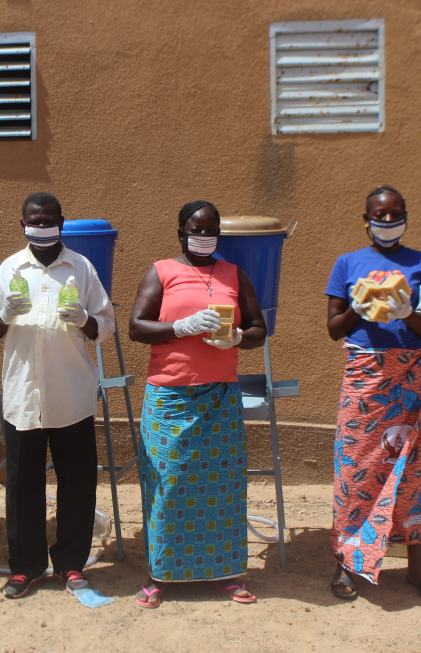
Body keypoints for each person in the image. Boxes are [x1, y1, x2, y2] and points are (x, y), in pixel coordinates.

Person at [0, 192, 116, 599]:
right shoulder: (9, 269)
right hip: (23, 397)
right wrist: (5, 316)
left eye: (49, 219)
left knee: (77, 483)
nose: (42, 226)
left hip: (71, 394)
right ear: (22, 224)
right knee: (23, 486)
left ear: (61, 222)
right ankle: (26, 568)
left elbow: (106, 324)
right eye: (34, 221)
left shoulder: (82, 268)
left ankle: (71, 565)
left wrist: (85, 320)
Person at [127, 200, 266, 609]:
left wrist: (239, 336)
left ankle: (224, 573)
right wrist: (179, 327)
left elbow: (260, 328)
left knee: (220, 488)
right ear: (180, 233)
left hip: (220, 398)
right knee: (168, 486)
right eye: (195, 229)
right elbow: (137, 327)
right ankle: (160, 575)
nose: (203, 236)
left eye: (210, 230)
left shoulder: (233, 274)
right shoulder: (161, 272)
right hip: (170, 398)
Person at [325, 186, 421, 603]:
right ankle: (346, 563)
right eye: (380, 214)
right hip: (366, 380)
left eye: (396, 213)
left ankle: (416, 567)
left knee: (418, 471)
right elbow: (333, 328)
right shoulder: (347, 263)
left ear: (406, 216)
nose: (388, 220)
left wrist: (407, 313)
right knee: (355, 470)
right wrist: (358, 308)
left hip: (414, 379)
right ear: (367, 219)